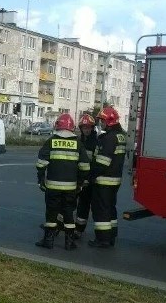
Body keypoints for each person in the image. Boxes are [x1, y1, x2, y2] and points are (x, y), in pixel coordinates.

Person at [35, 114, 90, 250]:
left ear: (58, 126)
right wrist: (80, 182)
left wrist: (41, 179)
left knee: (51, 213)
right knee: (68, 214)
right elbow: (85, 167)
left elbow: (41, 164)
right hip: (71, 188)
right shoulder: (78, 143)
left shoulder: (51, 141)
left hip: (52, 187)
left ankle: (48, 241)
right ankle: (69, 243)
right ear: (72, 127)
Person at [88, 106, 127, 248]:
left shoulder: (109, 138)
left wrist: (91, 175)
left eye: (102, 121)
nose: (101, 124)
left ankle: (102, 239)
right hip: (115, 180)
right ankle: (111, 236)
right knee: (110, 208)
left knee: (101, 210)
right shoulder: (120, 135)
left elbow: (103, 162)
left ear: (109, 121)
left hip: (104, 180)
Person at [73, 114, 98, 239]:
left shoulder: (96, 142)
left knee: (83, 205)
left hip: (88, 181)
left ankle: (79, 230)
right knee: (69, 202)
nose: (86, 130)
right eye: (84, 127)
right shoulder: (78, 141)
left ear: (92, 128)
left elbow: (96, 163)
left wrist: (89, 179)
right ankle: (59, 226)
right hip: (77, 178)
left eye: (88, 127)